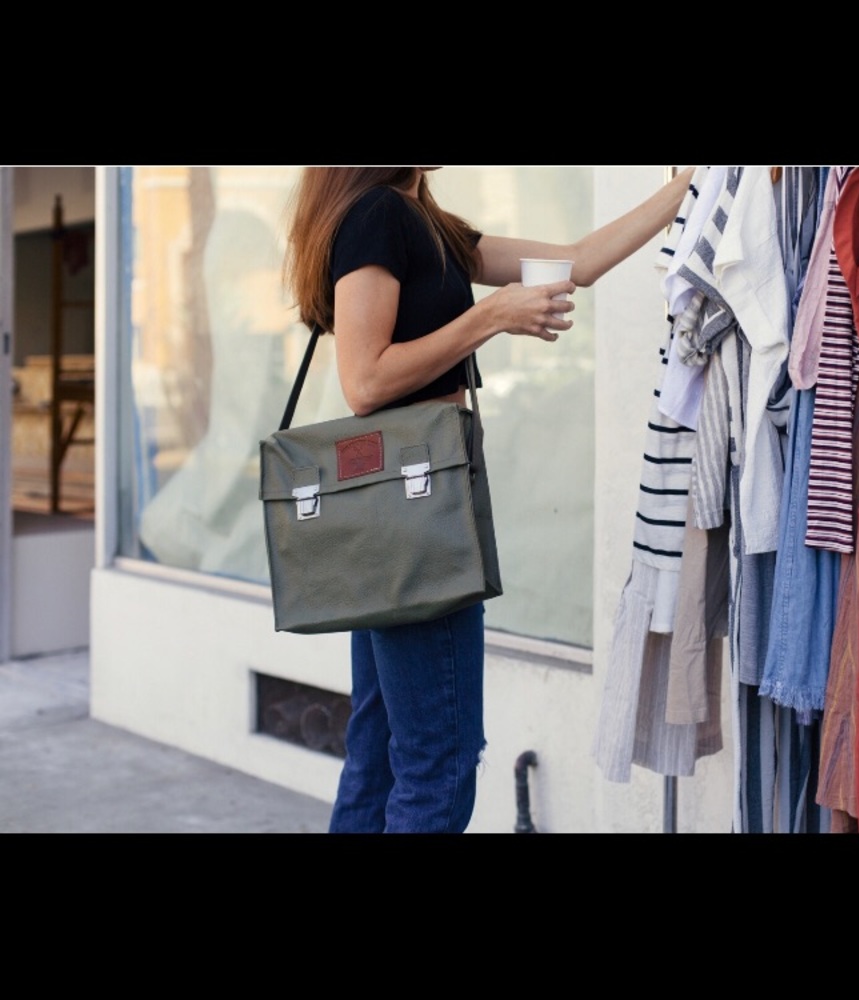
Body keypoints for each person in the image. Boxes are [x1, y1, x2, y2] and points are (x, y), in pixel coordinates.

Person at [282, 165, 695, 834]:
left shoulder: (429, 225)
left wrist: (687, 188)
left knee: (381, 756)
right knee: (439, 767)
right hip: (416, 514)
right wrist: (490, 315)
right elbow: (363, 380)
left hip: (407, 507)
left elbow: (577, 263)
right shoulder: (377, 216)